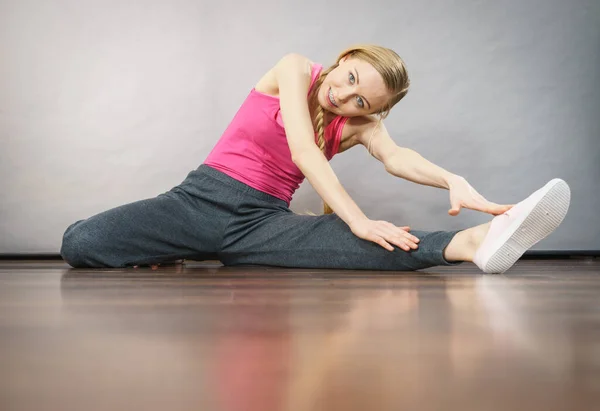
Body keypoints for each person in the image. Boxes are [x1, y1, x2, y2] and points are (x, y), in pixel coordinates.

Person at [60, 44, 571, 273]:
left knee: (371, 246)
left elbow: (396, 157)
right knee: (80, 242)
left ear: (373, 111)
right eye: (350, 81)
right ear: (344, 62)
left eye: (362, 103)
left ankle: (476, 243)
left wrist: (451, 179)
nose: (346, 99)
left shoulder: (360, 125)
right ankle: (184, 246)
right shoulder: (295, 68)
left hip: (260, 223)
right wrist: (358, 218)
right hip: (198, 200)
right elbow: (304, 150)